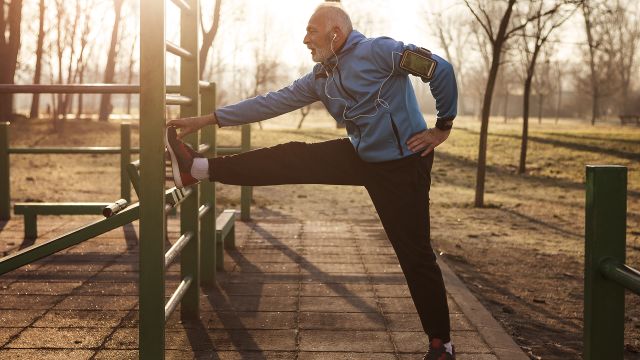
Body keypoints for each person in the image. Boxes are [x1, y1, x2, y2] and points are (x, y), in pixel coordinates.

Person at [165, 3, 458, 359]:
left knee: (414, 255)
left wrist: (442, 128)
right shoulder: (322, 77)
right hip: (360, 156)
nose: (305, 39)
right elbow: (270, 103)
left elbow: (438, 69)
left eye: (311, 31)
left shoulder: (381, 51)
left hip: (403, 164)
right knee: (290, 157)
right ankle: (196, 170)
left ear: (335, 32)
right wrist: (209, 119)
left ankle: (441, 344)